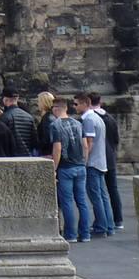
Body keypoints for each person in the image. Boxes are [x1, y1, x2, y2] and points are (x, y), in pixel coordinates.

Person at [47, 97, 91, 243]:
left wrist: (54, 168)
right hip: (80, 165)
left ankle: (70, 234)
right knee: (82, 201)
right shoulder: (78, 123)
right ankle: (85, 234)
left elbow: (57, 148)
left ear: (57, 108)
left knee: (67, 202)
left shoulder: (55, 125)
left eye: (53, 108)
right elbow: (85, 145)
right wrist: (84, 161)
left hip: (66, 167)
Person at [75, 93, 114, 238]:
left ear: (85, 104)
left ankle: (101, 226)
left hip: (92, 162)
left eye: (76, 104)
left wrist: (83, 160)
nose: (75, 107)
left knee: (95, 196)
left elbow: (89, 143)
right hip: (100, 160)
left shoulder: (89, 119)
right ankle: (108, 225)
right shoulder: (97, 118)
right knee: (102, 196)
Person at [90, 93, 123, 231]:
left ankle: (102, 221)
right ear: (100, 101)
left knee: (98, 193)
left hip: (97, 157)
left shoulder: (90, 118)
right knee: (112, 190)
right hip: (110, 156)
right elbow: (116, 139)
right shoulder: (110, 118)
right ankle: (118, 219)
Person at [0, 88, 37, 157]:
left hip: (12, 158)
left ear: (5, 99)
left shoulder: (5, 117)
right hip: (27, 157)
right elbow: (34, 141)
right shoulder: (29, 117)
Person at [34, 91, 56, 157]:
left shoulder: (47, 118)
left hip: (46, 153)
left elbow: (47, 138)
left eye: (39, 101)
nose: (38, 104)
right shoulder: (52, 116)